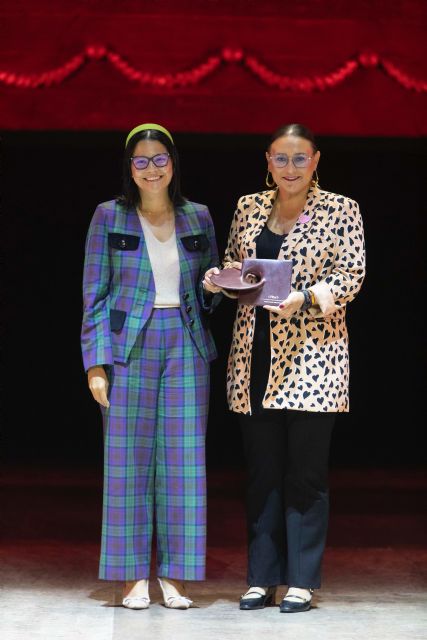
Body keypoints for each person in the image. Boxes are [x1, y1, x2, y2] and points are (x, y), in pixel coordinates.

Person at [204, 123, 365, 613]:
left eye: (299, 158)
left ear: (316, 160)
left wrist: (307, 299)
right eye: (280, 158)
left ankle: (301, 579)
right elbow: (238, 264)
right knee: (262, 473)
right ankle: (262, 577)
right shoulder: (249, 205)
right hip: (254, 356)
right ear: (267, 161)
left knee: (306, 475)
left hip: (314, 357)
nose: (289, 168)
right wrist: (219, 278)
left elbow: (351, 273)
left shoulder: (341, 208)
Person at [81, 123, 220, 610]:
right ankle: (130, 576)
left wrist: (216, 288)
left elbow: (209, 294)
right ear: (129, 168)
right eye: (141, 161)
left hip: (185, 343)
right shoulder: (108, 216)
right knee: (125, 464)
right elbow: (94, 298)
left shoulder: (198, 216)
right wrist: (95, 363)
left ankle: (177, 577)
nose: (151, 168)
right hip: (128, 347)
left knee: (184, 462)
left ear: (173, 163)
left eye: (159, 158)